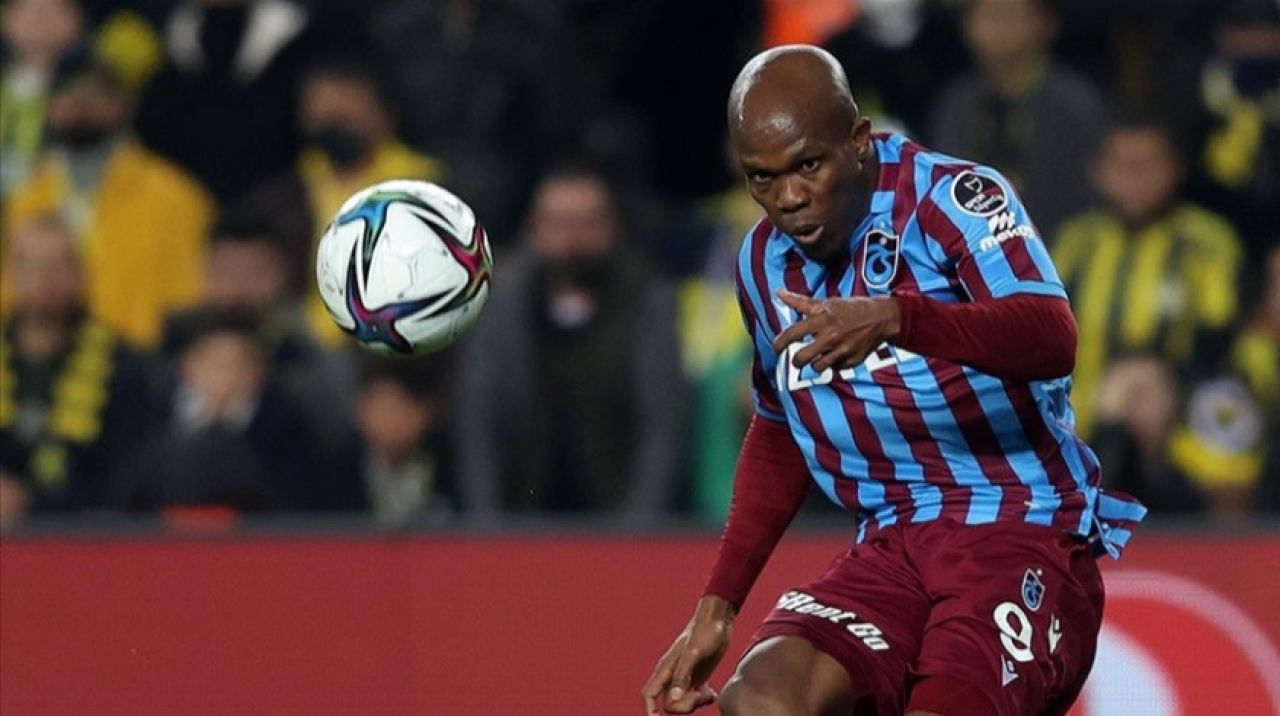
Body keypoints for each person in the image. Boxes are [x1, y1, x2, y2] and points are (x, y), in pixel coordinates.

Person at [642, 46, 1145, 716]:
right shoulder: (762, 264)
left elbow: (1052, 336)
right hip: (891, 547)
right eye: (763, 177)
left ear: (858, 140)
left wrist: (899, 318)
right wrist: (718, 608)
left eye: (808, 166)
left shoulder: (952, 201)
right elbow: (781, 426)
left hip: (1021, 529)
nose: (789, 198)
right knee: (763, 699)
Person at [456, 165, 685, 518]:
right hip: (517, 518)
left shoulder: (648, 301)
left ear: (613, 227)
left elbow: (661, 429)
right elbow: (477, 421)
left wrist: (639, 532)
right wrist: (484, 527)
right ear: (534, 228)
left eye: (589, 223)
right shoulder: (502, 303)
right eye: (560, 224)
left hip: (619, 520)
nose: (574, 240)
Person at [1052, 115, 1244, 439]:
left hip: (1182, 409)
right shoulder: (1074, 241)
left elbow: (1221, 336)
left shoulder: (1209, 241)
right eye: (1124, 165)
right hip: (1081, 412)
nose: (1136, 178)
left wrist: (1166, 381)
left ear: (1176, 168)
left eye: (1150, 165)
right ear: (1099, 171)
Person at [5, 50, 213, 347]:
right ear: (49, 106)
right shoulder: (24, 199)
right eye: (67, 93)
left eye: (94, 94)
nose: (80, 105)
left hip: (143, 360)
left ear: (122, 104)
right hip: (41, 359)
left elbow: (187, 298)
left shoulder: (176, 199)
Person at [0, 215, 154, 525]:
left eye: (60, 265)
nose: (46, 279)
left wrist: (33, 502)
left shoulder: (123, 365)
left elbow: (131, 478)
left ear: (82, 274)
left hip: (84, 534)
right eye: (33, 266)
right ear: (12, 273)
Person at [929, 0, 1107, 235]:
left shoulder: (1075, 105)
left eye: (1011, 16)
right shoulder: (955, 104)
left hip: (1058, 245)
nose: (999, 30)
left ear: (1046, 23)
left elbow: (1087, 198)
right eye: (989, 17)